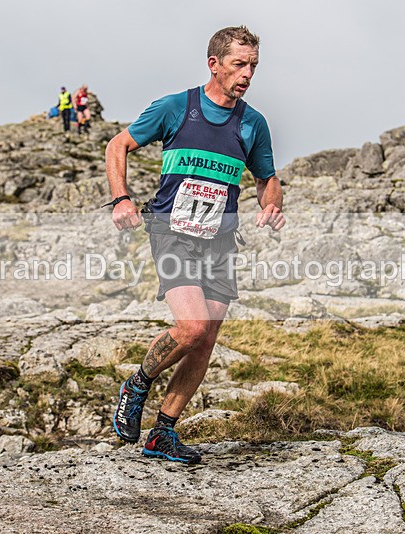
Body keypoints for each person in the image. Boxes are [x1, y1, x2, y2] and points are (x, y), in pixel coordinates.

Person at [106, 26, 285, 464]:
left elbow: (267, 179)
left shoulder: (252, 124)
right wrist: (122, 198)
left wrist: (272, 204)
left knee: (206, 341)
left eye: (253, 66)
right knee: (191, 328)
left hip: (220, 240)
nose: (247, 74)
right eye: (239, 64)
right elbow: (118, 145)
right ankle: (138, 382)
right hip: (172, 231)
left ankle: (162, 433)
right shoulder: (176, 108)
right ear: (214, 64)